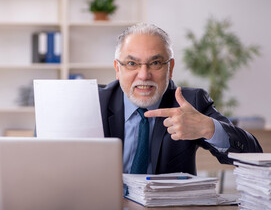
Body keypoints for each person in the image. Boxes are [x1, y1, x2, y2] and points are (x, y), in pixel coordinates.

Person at [99, 23, 262, 175]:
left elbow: (254, 155)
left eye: (155, 63)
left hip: (168, 206)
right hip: (102, 204)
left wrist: (208, 128)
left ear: (170, 69)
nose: (143, 75)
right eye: (132, 63)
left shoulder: (190, 102)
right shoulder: (95, 102)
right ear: (117, 69)